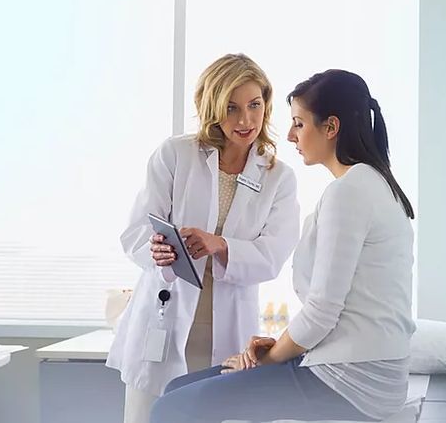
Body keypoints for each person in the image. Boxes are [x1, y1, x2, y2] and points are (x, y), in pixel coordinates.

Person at [151, 69, 416, 423]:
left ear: (331, 128)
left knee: (173, 407)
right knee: (177, 390)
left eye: (299, 124)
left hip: (351, 382)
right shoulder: (376, 185)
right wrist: (279, 346)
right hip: (358, 368)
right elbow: (347, 307)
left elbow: (324, 308)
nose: (290, 135)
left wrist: (272, 358)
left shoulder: (348, 192)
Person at [106, 53, 300, 423]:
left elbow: (273, 255)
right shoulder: (176, 154)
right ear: (212, 107)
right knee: (149, 415)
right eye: (231, 107)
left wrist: (221, 245)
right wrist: (157, 250)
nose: (245, 120)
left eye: (254, 105)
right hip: (166, 316)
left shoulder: (278, 177)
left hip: (226, 324)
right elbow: (134, 232)